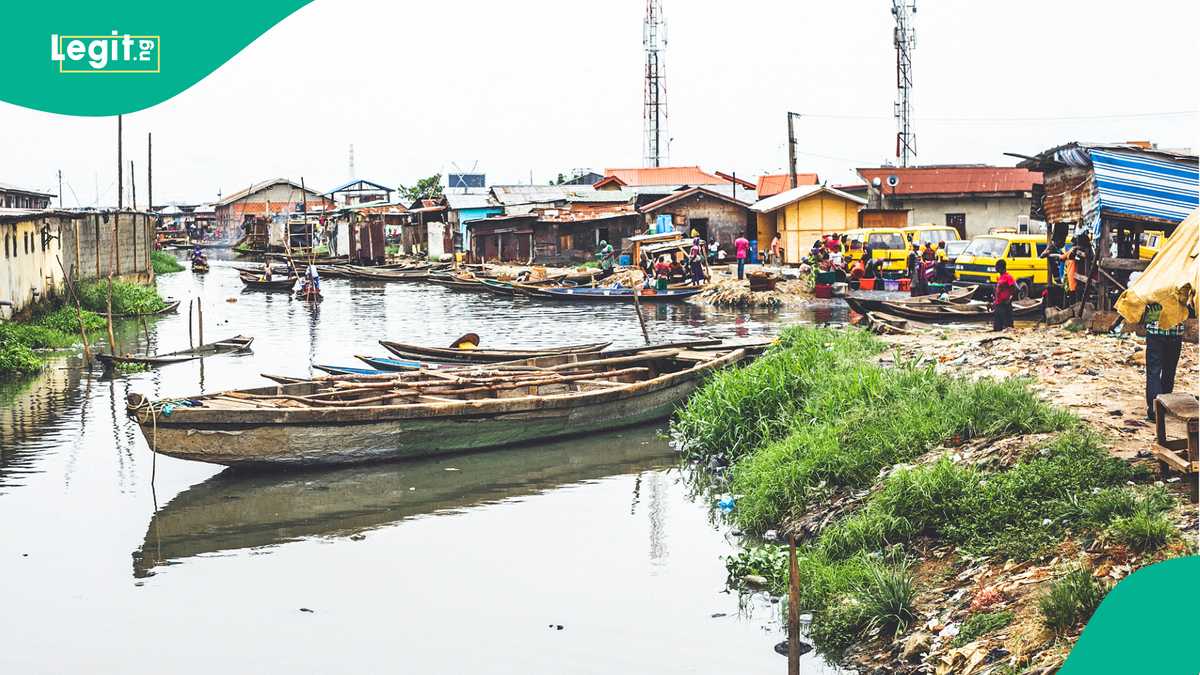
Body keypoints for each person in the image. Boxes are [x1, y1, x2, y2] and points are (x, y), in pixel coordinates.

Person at [1143, 303, 1185, 421]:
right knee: (1169, 371)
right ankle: (1164, 408)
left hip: (1155, 331)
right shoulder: (1180, 284)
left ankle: (1154, 411)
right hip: (1175, 331)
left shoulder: (1151, 285)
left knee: (1153, 372)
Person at [992, 259, 1016, 331]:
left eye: (997, 267)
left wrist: (1010, 299)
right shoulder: (999, 277)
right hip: (998, 304)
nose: (996, 268)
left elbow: (1014, 288)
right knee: (997, 326)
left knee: (1007, 325)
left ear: (1001, 267)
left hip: (1005, 304)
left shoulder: (1008, 277)